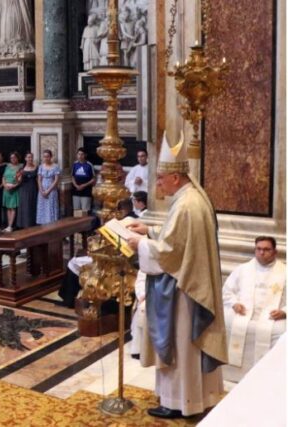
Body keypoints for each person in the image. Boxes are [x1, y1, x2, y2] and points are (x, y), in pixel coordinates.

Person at [126, 135, 226, 419]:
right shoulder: (195, 196)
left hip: (185, 291)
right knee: (190, 349)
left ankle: (180, 402)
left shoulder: (185, 206)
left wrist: (140, 244)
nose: (156, 184)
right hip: (193, 281)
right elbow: (180, 242)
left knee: (182, 347)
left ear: (174, 176)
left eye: (160, 179)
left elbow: (169, 254)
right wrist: (150, 231)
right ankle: (201, 398)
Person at [222, 236, 285, 382]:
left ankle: (269, 378)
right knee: (225, 322)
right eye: (259, 249)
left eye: (266, 249)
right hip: (243, 314)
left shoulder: (284, 272)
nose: (262, 253)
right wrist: (234, 303)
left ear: (275, 252)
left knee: (281, 332)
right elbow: (227, 291)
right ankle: (230, 375)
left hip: (272, 318)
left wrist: (284, 312)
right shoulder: (242, 269)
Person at [36, 149, 61, 225]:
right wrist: (41, 190)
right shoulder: (41, 167)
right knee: (43, 208)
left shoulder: (55, 167)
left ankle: (51, 225)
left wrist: (48, 191)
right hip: (42, 191)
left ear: (51, 157)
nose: (46, 158)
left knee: (51, 207)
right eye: (44, 157)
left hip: (51, 190)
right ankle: (43, 225)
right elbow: (39, 179)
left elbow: (56, 180)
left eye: (47, 156)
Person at [16, 152, 38, 229]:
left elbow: (38, 180)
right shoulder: (21, 169)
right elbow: (18, 181)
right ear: (25, 159)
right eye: (28, 157)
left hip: (33, 188)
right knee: (25, 206)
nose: (30, 159)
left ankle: (33, 224)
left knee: (32, 206)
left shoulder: (36, 168)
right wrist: (19, 176)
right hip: (23, 189)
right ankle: (24, 225)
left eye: (31, 157)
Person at [1, 152, 22, 232]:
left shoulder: (20, 167)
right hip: (6, 189)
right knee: (8, 208)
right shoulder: (7, 167)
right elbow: (3, 177)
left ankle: (11, 225)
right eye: (11, 158)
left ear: (17, 158)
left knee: (12, 208)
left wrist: (14, 186)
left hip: (14, 189)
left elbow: (19, 181)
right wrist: (5, 185)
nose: (13, 159)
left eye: (14, 158)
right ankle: (8, 225)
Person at [71, 148, 96, 213]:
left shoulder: (89, 165)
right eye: (79, 154)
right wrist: (76, 186)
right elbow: (72, 176)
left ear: (85, 155)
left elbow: (93, 179)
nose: (80, 156)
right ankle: (77, 223)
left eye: (82, 154)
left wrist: (84, 185)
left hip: (86, 191)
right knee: (77, 210)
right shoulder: (75, 164)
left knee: (85, 210)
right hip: (76, 191)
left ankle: (85, 222)